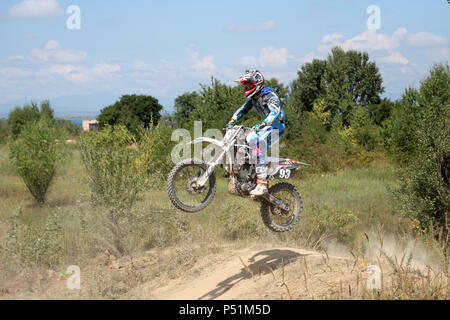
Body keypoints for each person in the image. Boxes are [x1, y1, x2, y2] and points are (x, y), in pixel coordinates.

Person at [227, 70, 285, 196]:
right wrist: (232, 120)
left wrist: (264, 123)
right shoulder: (254, 97)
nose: (246, 88)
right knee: (244, 142)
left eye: (248, 85)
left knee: (257, 145)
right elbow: (243, 110)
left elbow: (275, 111)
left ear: (256, 84)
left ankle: (262, 183)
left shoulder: (269, 95)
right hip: (266, 127)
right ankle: (246, 175)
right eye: (245, 86)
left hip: (276, 127)